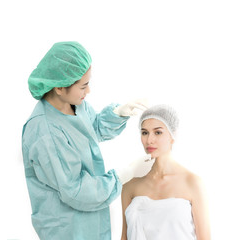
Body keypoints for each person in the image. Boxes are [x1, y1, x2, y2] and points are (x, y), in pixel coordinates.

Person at [22, 41, 154, 240]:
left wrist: (118, 114)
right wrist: (122, 175)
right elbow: (75, 191)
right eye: (83, 86)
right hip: (67, 229)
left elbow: (91, 130)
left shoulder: (73, 104)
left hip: (89, 222)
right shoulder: (45, 133)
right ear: (59, 87)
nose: (89, 91)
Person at [121, 105, 211, 240]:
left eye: (158, 132)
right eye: (144, 132)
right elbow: (124, 236)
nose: (149, 140)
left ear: (172, 135)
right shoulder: (130, 186)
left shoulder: (192, 183)